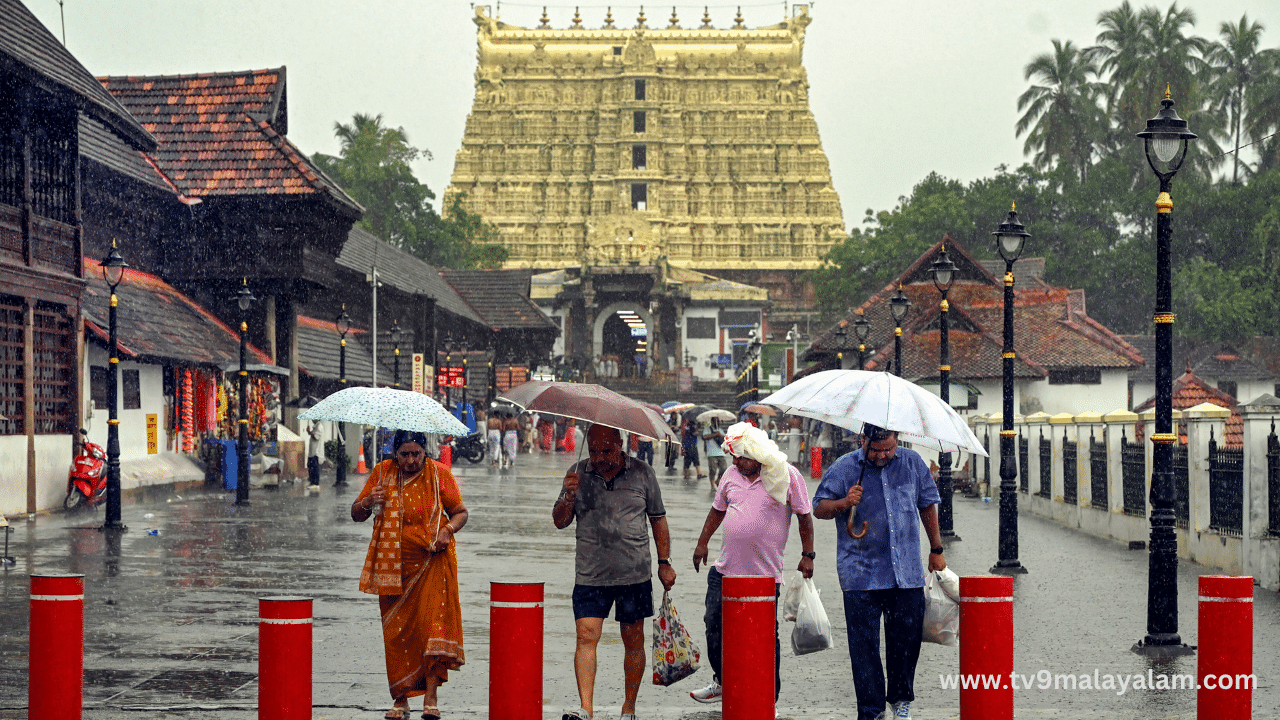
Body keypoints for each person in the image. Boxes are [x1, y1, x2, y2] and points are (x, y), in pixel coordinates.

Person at [812, 424, 945, 720]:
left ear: (897, 439)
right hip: (860, 573)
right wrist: (845, 502)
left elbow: (927, 505)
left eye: (889, 449)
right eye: (876, 450)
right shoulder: (845, 467)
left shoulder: (912, 464)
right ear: (863, 440)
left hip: (906, 572)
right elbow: (819, 508)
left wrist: (936, 550)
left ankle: (900, 700)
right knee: (864, 649)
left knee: (905, 643)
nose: (883, 455)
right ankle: (871, 710)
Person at [552, 425, 676, 720]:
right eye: (593, 450)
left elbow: (658, 520)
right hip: (590, 573)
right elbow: (559, 521)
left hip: (633, 573)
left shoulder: (643, 473)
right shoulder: (577, 472)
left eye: (606, 450)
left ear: (620, 445)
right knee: (585, 636)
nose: (599, 457)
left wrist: (664, 562)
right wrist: (568, 496)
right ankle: (586, 709)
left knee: (633, 640)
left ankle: (628, 708)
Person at [690, 422, 814, 705]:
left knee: (765, 638)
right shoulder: (730, 474)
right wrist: (702, 542)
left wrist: (808, 555)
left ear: (757, 454)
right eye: (733, 456)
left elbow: (804, 516)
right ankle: (722, 680)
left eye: (741, 456)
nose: (735, 461)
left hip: (764, 575)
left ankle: (769, 697)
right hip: (724, 570)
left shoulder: (787, 475)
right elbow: (717, 510)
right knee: (714, 626)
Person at [352, 430, 469, 720]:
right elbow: (356, 513)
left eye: (416, 453)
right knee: (398, 634)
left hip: (432, 562)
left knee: (431, 629)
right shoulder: (381, 473)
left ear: (424, 452)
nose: (411, 460)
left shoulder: (439, 474)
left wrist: (447, 530)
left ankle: (431, 698)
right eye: (404, 454)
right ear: (395, 453)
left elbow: (460, 512)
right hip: (392, 568)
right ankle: (401, 699)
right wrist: (369, 502)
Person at [702, 418, 728, 489]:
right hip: (711, 453)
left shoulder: (720, 430)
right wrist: (715, 434)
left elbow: (725, 439)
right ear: (712, 421)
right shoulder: (707, 429)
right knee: (713, 470)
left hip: (720, 452)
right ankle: (712, 484)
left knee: (724, 468)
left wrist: (720, 435)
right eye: (715, 420)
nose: (717, 422)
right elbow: (704, 437)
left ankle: (718, 479)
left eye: (718, 420)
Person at [681, 417, 706, 481]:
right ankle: (699, 474)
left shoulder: (687, 426)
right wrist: (698, 431)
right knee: (695, 460)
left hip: (687, 445)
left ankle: (686, 474)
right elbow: (695, 433)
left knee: (687, 460)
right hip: (692, 446)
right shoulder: (692, 426)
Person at [306, 419, 323, 491]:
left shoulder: (319, 426)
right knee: (310, 466)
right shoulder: (316, 426)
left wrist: (309, 432)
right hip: (312, 451)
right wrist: (309, 432)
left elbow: (316, 437)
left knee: (314, 467)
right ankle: (312, 482)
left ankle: (315, 483)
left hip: (316, 451)